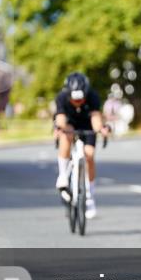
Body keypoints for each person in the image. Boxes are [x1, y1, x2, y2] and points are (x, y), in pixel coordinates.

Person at [53, 72, 110, 218]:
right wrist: (59, 128)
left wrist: (101, 129)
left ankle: (89, 196)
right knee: (67, 136)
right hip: (69, 123)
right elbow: (60, 118)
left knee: (89, 155)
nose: (78, 102)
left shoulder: (93, 96)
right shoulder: (61, 97)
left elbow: (96, 119)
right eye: (75, 99)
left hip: (87, 124)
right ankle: (63, 175)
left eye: (81, 99)